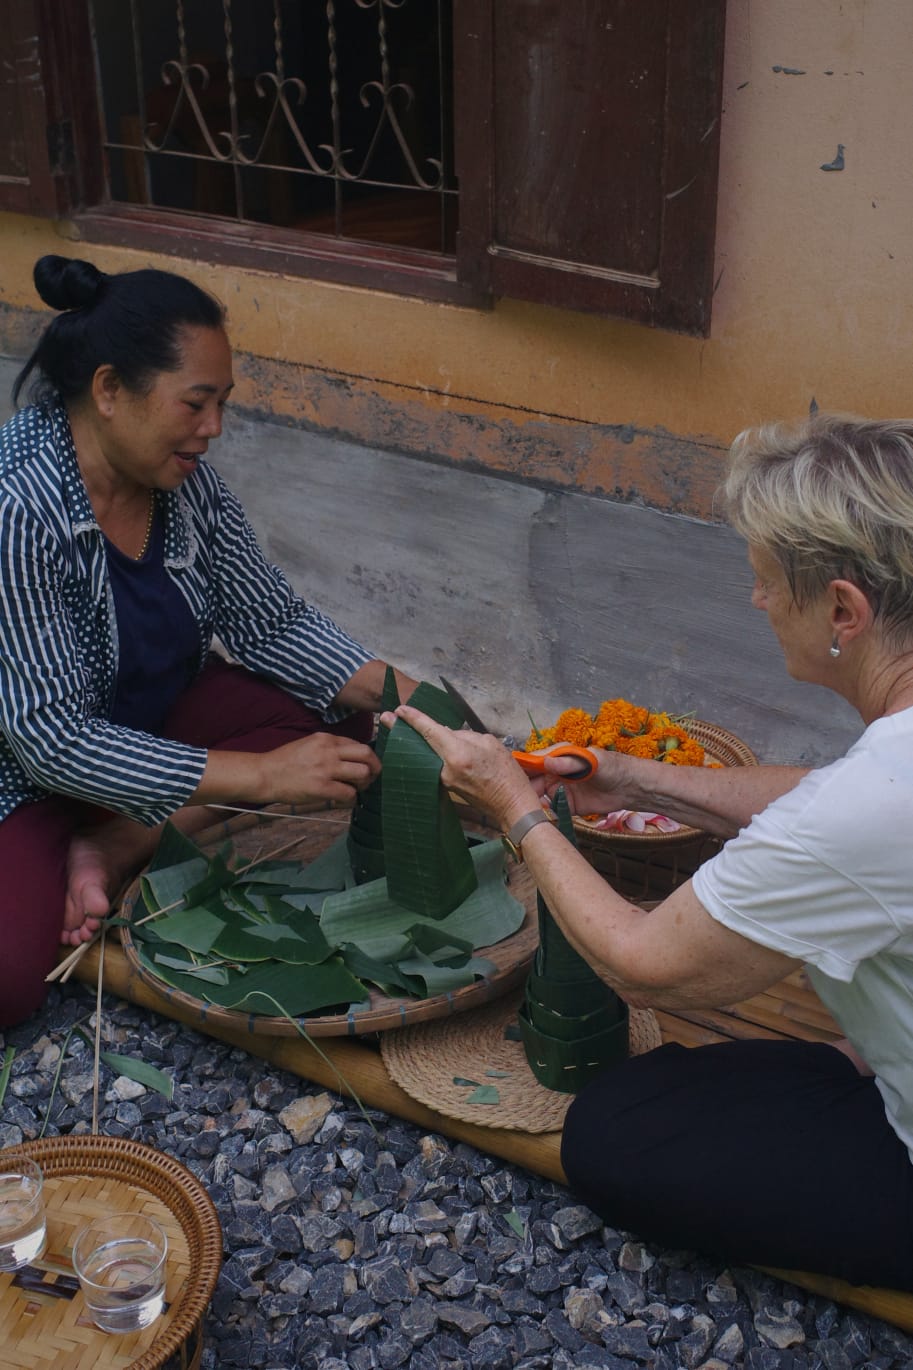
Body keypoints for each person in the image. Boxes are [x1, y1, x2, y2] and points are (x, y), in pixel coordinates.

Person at [386, 414, 913, 1291]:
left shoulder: (866, 806)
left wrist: (516, 809)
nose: (755, 602)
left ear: (843, 611)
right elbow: (829, 806)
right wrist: (633, 779)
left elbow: (646, 966)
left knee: (615, 1134)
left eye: (766, 582)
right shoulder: (880, 778)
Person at [0, 254, 416, 1028]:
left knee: (347, 730)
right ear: (110, 391)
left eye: (222, 403)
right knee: (9, 982)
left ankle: (118, 843)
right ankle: (73, 838)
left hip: (145, 726)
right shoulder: (17, 505)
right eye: (196, 403)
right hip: (25, 772)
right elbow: (48, 740)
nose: (214, 429)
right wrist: (260, 776)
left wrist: (425, 708)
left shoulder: (183, 482)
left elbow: (273, 623)